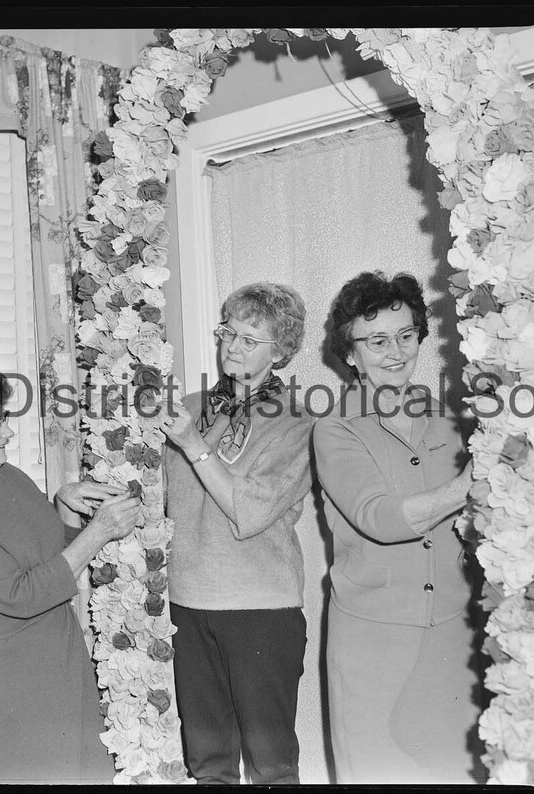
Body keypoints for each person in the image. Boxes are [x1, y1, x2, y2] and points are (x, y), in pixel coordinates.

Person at [0, 363, 141, 784]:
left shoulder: (8, 477)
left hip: (59, 664)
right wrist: (100, 530)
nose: (7, 433)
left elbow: (50, 559)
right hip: (4, 683)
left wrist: (66, 510)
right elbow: (26, 593)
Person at [312, 271, 482, 784]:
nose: (395, 352)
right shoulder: (335, 429)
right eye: (377, 340)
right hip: (375, 642)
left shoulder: (446, 419)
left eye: (406, 336)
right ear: (350, 353)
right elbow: (381, 519)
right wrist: (472, 482)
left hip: (453, 632)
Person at [162, 282, 313, 785]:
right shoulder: (189, 407)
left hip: (260, 611)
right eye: (229, 332)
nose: (233, 345)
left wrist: (192, 446)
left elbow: (247, 513)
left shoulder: (297, 423)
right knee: (208, 766)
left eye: (251, 339)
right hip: (186, 602)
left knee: (270, 767)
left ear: (283, 352)